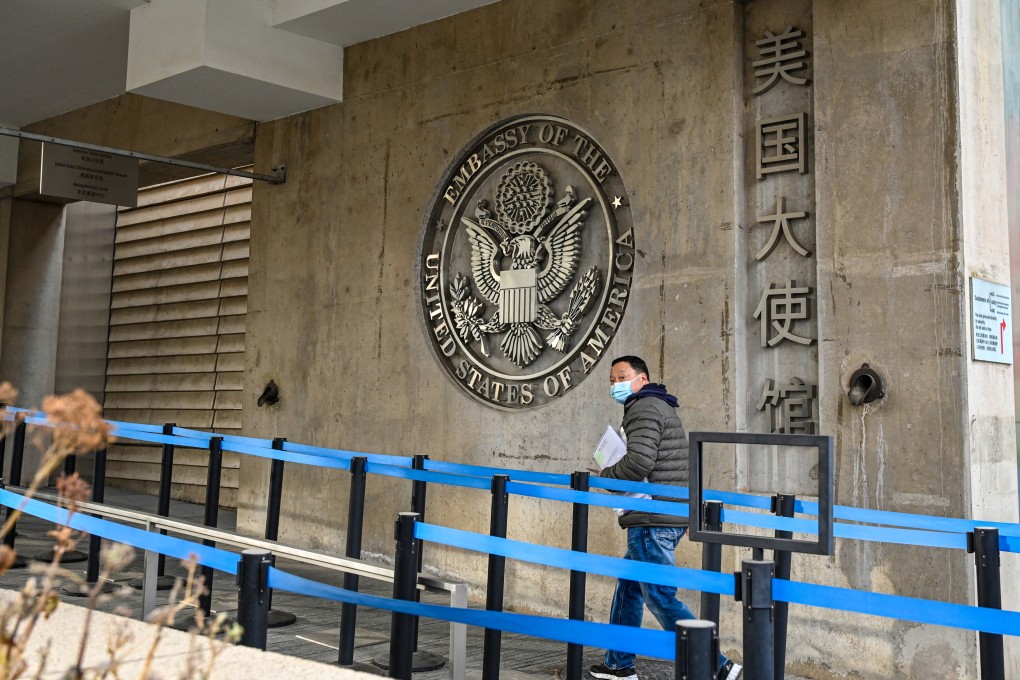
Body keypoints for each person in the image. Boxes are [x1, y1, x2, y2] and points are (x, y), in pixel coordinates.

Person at [589, 356, 742, 680]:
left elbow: (639, 463)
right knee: (630, 589)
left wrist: (606, 475)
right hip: (664, 513)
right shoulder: (661, 407)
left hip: (651, 518)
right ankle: (618, 666)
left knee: (659, 595)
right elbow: (673, 465)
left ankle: (719, 665)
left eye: (622, 376)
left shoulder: (643, 408)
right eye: (612, 379)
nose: (615, 384)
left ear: (642, 379)